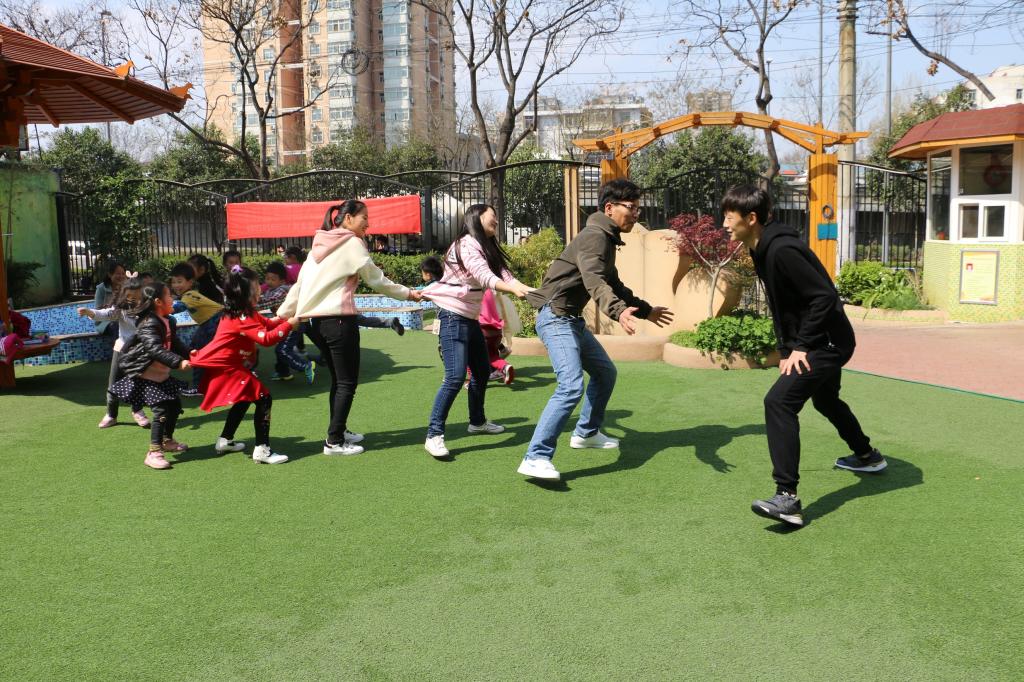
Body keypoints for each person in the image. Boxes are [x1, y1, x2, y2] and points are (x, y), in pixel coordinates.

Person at [722, 185, 887, 527]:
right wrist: (787, 349)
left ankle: (787, 498)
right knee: (826, 401)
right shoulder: (760, 248)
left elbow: (824, 296)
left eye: (728, 216)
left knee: (779, 402)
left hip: (827, 343)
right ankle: (868, 456)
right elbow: (782, 305)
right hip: (819, 340)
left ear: (750, 219)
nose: (723, 223)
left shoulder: (782, 250)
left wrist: (801, 346)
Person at [518, 180, 674, 481]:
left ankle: (586, 433)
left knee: (604, 373)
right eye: (631, 207)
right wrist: (617, 310)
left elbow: (614, 284)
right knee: (570, 386)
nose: (636, 214)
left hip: (570, 320)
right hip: (556, 316)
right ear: (609, 208)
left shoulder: (605, 239)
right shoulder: (594, 237)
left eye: (638, 208)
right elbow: (595, 281)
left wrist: (645, 310)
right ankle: (535, 457)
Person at [276, 199, 423, 456]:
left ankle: (339, 430)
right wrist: (408, 294)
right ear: (348, 219)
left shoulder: (318, 246)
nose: (368, 223)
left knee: (338, 380)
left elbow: (299, 286)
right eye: (364, 217)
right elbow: (376, 279)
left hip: (315, 324)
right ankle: (334, 441)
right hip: (339, 321)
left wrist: (283, 314)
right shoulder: (352, 243)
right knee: (347, 382)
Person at [421, 203, 533, 459]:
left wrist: (528, 290)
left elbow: (504, 274)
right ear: (477, 218)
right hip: (452, 316)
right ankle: (434, 435)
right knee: (455, 377)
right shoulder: (466, 244)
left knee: (482, 372)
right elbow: (485, 277)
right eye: (493, 216)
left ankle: (477, 422)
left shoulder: (486, 244)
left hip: (469, 319)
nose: (497, 220)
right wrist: (513, 290)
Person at [189, 266, 296, 464]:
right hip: (228, 367)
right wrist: (290, 324)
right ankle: (262, 450)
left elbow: (266, 325)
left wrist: (284, 319)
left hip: (229, 365)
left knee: (246, 397)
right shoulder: (243, 316)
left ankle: (225, 440)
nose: (260, 289)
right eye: (256, 286)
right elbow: (266, 339)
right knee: (263, 398)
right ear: (245, 293)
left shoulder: (242, 313)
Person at [109, 282, 191, 470]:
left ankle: (166, 440)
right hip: (146, 375)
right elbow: (154, 349)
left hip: (161, 374)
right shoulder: (148, 323)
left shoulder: (168, 320)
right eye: (169, 295)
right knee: (161, 411)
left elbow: (174, 342)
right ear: (158, 302)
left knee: (174, 406)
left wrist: (189, 353)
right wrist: (178, 362)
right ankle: (153, 452)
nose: (173, 299)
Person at [78, 275, 150, 429]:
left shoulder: (148, 310)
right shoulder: (121, 309)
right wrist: (89, 312)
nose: (134, 300)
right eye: (130, 297)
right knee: (114, 384)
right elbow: (106, 314)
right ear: (125, 296)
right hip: (121, 350)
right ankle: (111, 414)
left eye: (138, 296)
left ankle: (137, 411)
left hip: (139, 352)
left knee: (137, 383)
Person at [169, 262, 223, 395]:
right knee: (198, 350)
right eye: (173, 282)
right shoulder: (190, 294)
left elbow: (177, 307)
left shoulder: (188, 296)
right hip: (213, 322)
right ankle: (212, 383)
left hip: (213, 323)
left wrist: (158, 309)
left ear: (190, 282)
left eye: (179, 281)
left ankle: (199, 386)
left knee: (198, 354)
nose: (176, 285)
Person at [259, 261, 315, 383]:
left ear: (282, 281)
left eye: (273, 279)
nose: (269, 282)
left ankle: (305, 365)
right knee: (281, 348)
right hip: (286, 323)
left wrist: (251, 304)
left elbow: (270, 301)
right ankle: (283, 372)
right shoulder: (271, 289)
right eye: (267, 278)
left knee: (282, 350)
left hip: (293, 324)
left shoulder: (283, 290)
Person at [92, 261, 127, 337]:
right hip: (106, 321)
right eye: (118, 273)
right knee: (115, 326)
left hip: (124, 319)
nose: (121, 276)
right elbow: (98, 310)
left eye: (123, 273)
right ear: (110, 274)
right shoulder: (101, 288)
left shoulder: (128, 287)